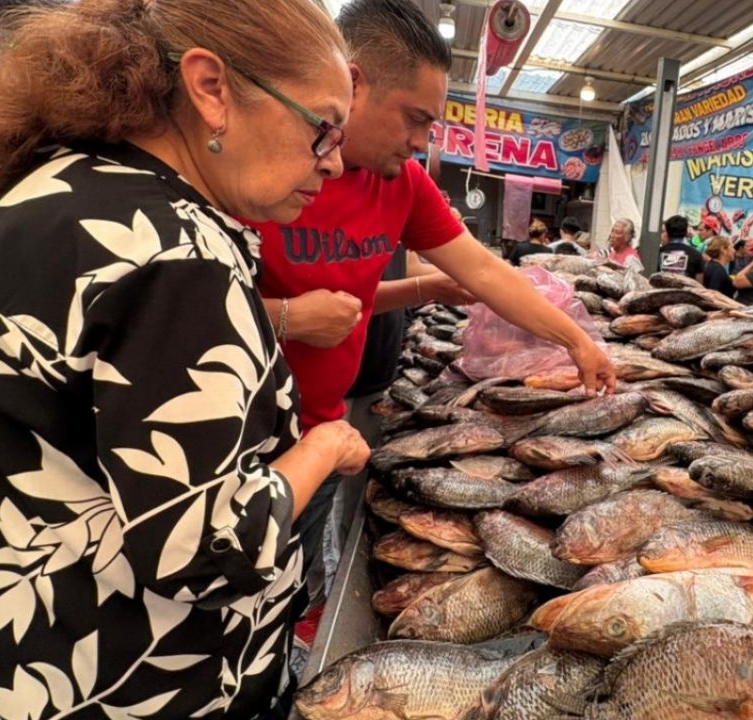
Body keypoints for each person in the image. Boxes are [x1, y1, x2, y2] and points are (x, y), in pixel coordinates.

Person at [0, 0, 370, 717]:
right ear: (211, 88)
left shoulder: (13, 205)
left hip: (17, 664)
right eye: (322, 127)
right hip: (148, 684)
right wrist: (322, 447)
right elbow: (206, 548)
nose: (335, 160)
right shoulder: (176, 253)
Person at [246, 0, 613, 650]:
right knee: (234, 595)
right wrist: (288, 317)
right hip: (241, 442)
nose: (423, 142)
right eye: (415, 118)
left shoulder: (404, 184)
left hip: (323, 431)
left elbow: (486, 270)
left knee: (287, 592)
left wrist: (576, 339)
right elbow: (178, 307)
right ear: (353, 85)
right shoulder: (263, 164)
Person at [660, 214, 704, 281]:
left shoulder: (657, 253)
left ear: (667, 232)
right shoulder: (696, 255)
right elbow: (699, 283)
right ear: (686, 232)